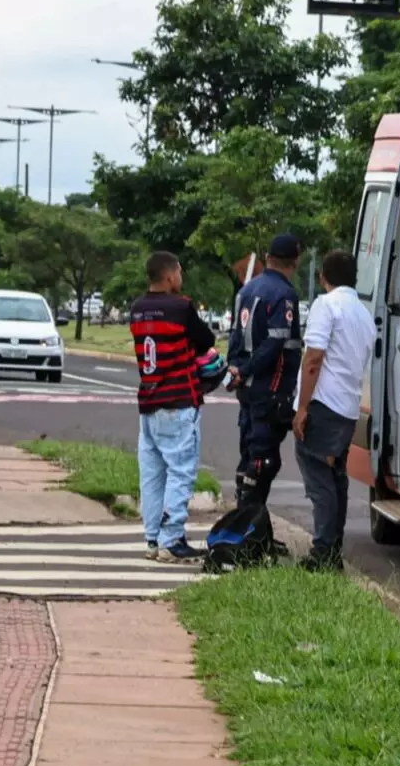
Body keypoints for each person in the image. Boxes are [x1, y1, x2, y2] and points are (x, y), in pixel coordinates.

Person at [292, 250, 378, 570]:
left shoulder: (326, 305)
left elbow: (313, 358)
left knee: (318, 475)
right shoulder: (364, 314)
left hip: (324, 403)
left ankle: (323, 551)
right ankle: (332, 551)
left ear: (322, 277)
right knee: (335, 477)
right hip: (348, 407)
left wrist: (302, 406)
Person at [129, 251, 216, 563]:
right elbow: (206, 339)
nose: (181, 277)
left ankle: (153, 538)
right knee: (181, 471)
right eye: (179, 272)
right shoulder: (180, 308)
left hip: (148, 401)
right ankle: (172, 539)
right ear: (169, 276)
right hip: (178, 401)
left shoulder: (137, 309)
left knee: (152, 475)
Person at [228, 233, 303, 509]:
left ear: (268, 258)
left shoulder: (246, 290)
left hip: (247, 387)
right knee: (263, 459)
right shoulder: (284, 294)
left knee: (249, 452)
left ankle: (246, 517)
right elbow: (275, 343)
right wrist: (247, 369)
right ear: (295, 261)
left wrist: (236, 369)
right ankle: (249, 522)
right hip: (271, 387)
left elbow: (234, 334)